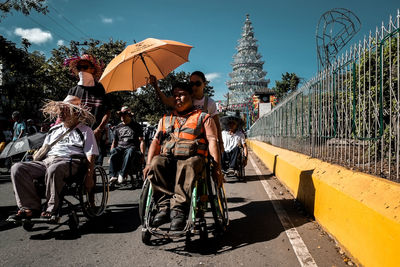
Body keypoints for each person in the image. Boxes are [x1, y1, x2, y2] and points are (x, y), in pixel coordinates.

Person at [143, 82, 223, 231]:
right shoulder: (165, 119)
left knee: (188, 165)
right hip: (169, 158)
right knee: (156, 163)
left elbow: (213, 141)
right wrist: (148, 164)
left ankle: (178, 209)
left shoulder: (203, 117)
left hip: (193, 159)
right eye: (174, 95)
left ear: (191, 96)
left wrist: (217, 167)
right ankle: (164, 207)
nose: (177, 98)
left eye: (181, 94)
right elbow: (156, 141)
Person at [8, 95, 98, 220]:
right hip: (47, 161)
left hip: (70, 162)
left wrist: (89, 176)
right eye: (60, 109)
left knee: (54, 169)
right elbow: (44, 150)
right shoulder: (54, 129)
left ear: (75, 112)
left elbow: (90, 154)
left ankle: (51, 209)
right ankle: (29, 208)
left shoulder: (85, 130)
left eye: (65, 109)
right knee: (17, 168)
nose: (60, 112)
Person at [149, 71, 224, 153]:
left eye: (198, 83)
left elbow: (216, 124)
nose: (194, 86)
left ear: (204, 84)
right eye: (192, 84)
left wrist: (220, 143)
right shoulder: (184, 99)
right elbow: (165, 100)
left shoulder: (210, 102)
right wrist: (156, 86)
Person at [65, 54, 111, 142]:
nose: (82, 70)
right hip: (76, 136)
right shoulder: (73, 90)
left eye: (85, 67)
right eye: (79, 67)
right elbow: (66, 113)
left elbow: (107, 112)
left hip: (96, 135)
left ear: (93, 70)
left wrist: (99, 130)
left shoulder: (101, 90)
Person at [109, 106, 145, 184]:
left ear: (129, 115)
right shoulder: (118, 127)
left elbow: (141, 141)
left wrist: (142, 155)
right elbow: (114, 142)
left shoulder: (136, 126)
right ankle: (113, 175)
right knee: (114, 151)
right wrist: (111, 155)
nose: (122, 117)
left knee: (130, 151)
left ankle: (122, 174)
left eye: (124, 115)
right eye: (121, 115)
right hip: (120, 147)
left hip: (131, 148)